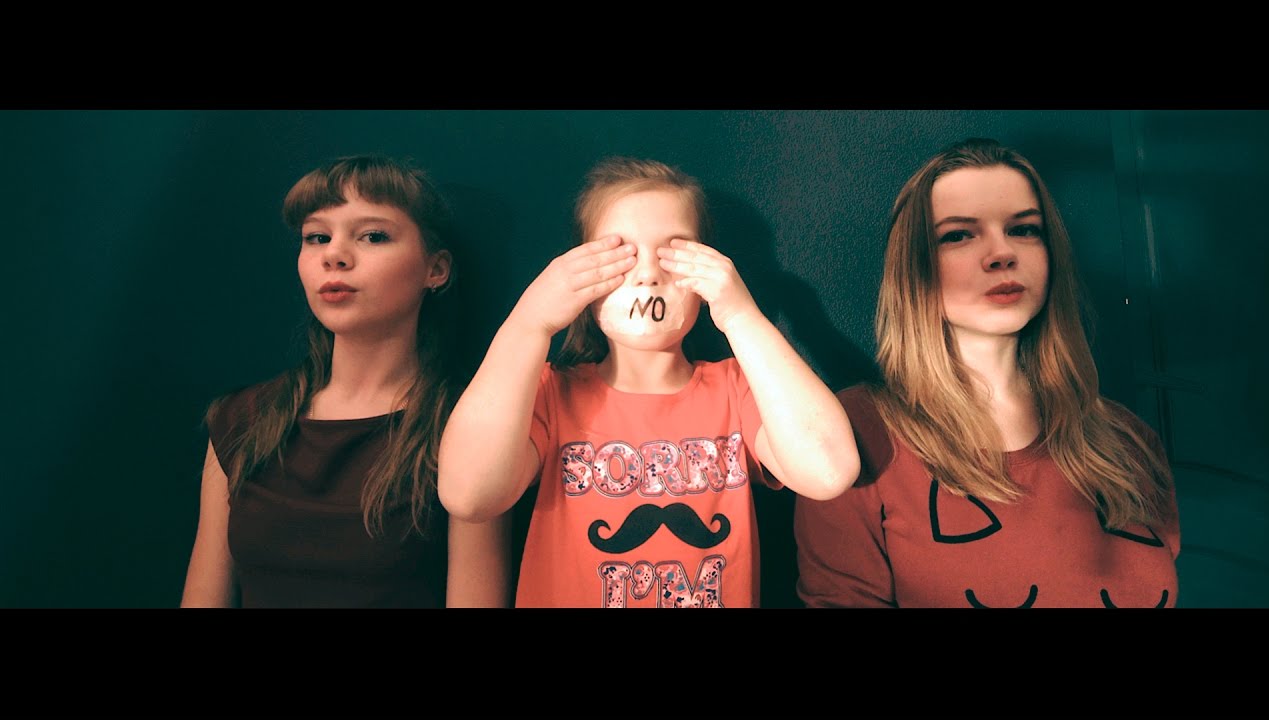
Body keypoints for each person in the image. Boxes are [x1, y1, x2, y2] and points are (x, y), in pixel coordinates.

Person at [438, 157, 859, 607]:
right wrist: (530, 322)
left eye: (673, 252)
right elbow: (469, 495)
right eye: (620, 253)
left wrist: (741, 316)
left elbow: (829, 472)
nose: (648, 274)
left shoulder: (738, 390)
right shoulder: (549, 394)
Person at [794, 138, 1179, 608]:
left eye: (1024, 229)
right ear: (914, 268)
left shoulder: (1129, 440)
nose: (1001, 254)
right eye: (959, 235)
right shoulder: (856, 434)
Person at [180, 155, 508, 608]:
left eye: (373, 236)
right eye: (317, 237)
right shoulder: (242, 419)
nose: (333, 255)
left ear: (435, 270)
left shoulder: (466, 428)